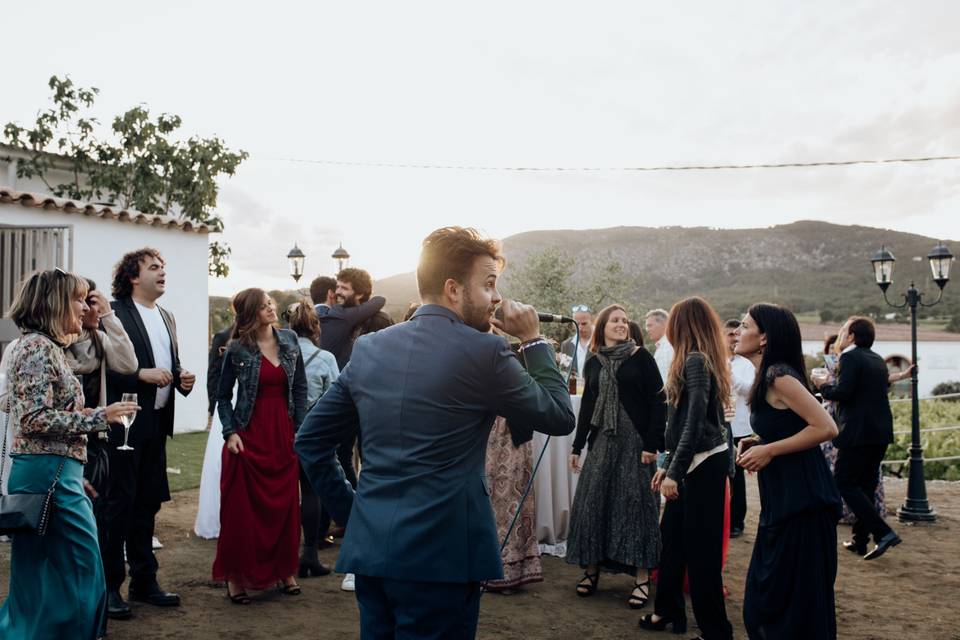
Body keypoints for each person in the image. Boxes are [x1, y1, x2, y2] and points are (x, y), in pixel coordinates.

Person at [296, 226, 576, 639]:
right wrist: (534, 341)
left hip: (374, 552)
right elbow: (557, 416)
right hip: (445, 559)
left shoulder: (370, 347)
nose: (497, 298)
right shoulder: (486, 351)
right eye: (489, 284)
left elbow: (310, 441)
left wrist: (354, 515)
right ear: (453, 289)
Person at [0, 269, 138, 640]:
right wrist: (100, 416)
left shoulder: (47, 347)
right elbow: (32, 419)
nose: (84, 306)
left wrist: (76, 474)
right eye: (78, 299)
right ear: (54, 303)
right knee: (80, 571)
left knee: (51, 575)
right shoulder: (35, 348)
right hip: (48, 477)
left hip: (59, 474)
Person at [736, 303, 842, 639]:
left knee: (791, 606)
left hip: (804, 502)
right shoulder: (766, 376)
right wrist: (759, 440)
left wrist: (770, 449)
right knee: (768, 601)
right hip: (783, 500)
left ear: (764, 337)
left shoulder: (778, 376)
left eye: (745, 325)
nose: (737, 330)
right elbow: (790, 424)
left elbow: (826, 427)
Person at [103, 248, 196, 619]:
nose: (162, 272)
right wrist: (141, 375)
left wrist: (181, 377)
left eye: (164, 267)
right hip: (124, 426)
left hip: (156, 426)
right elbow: (103, 367)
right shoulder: (115, 312)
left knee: (147, 505)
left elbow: (168, 366)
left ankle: (145, 581)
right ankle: (110, 587)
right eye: (153, 267)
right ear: (132, 277)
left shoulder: (167, 316)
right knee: (118, 508)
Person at [643, 296, 733, 639]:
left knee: (701, 555)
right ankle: (667, 613)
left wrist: (674, 472)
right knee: (672, 543)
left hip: (703, 465)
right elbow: (683, 425)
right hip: (694, 462)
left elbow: (694, 423)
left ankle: (716, 632)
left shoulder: (695, 361)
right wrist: (668, 469)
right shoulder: (700, 359)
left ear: (682, 325)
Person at [566, 304, 666, 609]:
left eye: (625, 320)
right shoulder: (594, 363)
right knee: (593, 502)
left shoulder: (641, 358)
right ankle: (592, 570)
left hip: (635, 443)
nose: (622, 324)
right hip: (603, 441)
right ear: (603, 327)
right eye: (615, 320)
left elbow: (658, 402)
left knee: (636, 506)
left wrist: (652, 444)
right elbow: (587, 408)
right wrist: (577, 445)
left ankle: (641, 578)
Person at [212, 289, 307, 603]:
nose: (272, 307)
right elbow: (223, 397)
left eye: (271, 302)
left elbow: (300, 389)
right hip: (248, 434)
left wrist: (299, 430)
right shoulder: (237, 348)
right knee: (242, 512)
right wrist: (230, 433)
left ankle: (284, 570)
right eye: (265, 304)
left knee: (284, 506)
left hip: (283, 433)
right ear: (252, 312)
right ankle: (235, 578)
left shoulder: (291, 341)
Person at [814, 316, 901, 560]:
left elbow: (843, 392)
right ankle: (859, 541)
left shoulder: (850, 357)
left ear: (851, 336)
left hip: (857, 433)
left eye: (843, 330)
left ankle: (883, 532)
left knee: (843, 482)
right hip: (880, 432)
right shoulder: (876, 358)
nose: (840, 335)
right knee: (865, 486)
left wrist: (821, 384)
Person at [65, 279, 138, 560]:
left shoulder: (99, 339)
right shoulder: (54, 346)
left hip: (96, 441)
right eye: (83, 302)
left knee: (98, 514)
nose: (86, 309)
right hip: (60, 445)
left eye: (90, 302)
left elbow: (129, 364)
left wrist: (109, 317)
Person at [285, 300, 338, 578]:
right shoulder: (326, 359)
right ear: (316, 327)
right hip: (313, 434)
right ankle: (310, 553)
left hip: (282, 432)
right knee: (311, 493)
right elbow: (336, 400)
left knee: (283, 494)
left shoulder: (279, 355)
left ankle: (284, 556)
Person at [482, 415, 542, 594]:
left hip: (511, 431)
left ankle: (508, 573)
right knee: (483, 496)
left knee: (510, 498)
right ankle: (481, 569)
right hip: (480, 429)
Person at [194, 326, 232, 540]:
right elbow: (214, 372)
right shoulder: (223, 337)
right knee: (219, 460)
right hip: (226, 404)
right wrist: (213, 406)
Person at [723, 318, 755, 538]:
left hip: (740, 426)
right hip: (720, 425)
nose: (734, 338)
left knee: (737, 477)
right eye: (730, 335)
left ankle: (737, 521)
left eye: (737, 334)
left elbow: (750, 390)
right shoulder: (715, 360)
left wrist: (728, 373)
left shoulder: (747, 364)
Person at [561, 304, 594, 379]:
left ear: (592, 321)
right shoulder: (566, 345)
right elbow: (564, 372)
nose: (580, 328)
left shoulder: (601, 341)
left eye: (584, 324)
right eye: (576, 323)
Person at [644, 308, 674, 384]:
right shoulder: (662, 346)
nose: (647, 329)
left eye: (650, 325)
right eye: (647, 326)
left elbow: (664, 380)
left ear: (664, 324)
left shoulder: (668, 346)